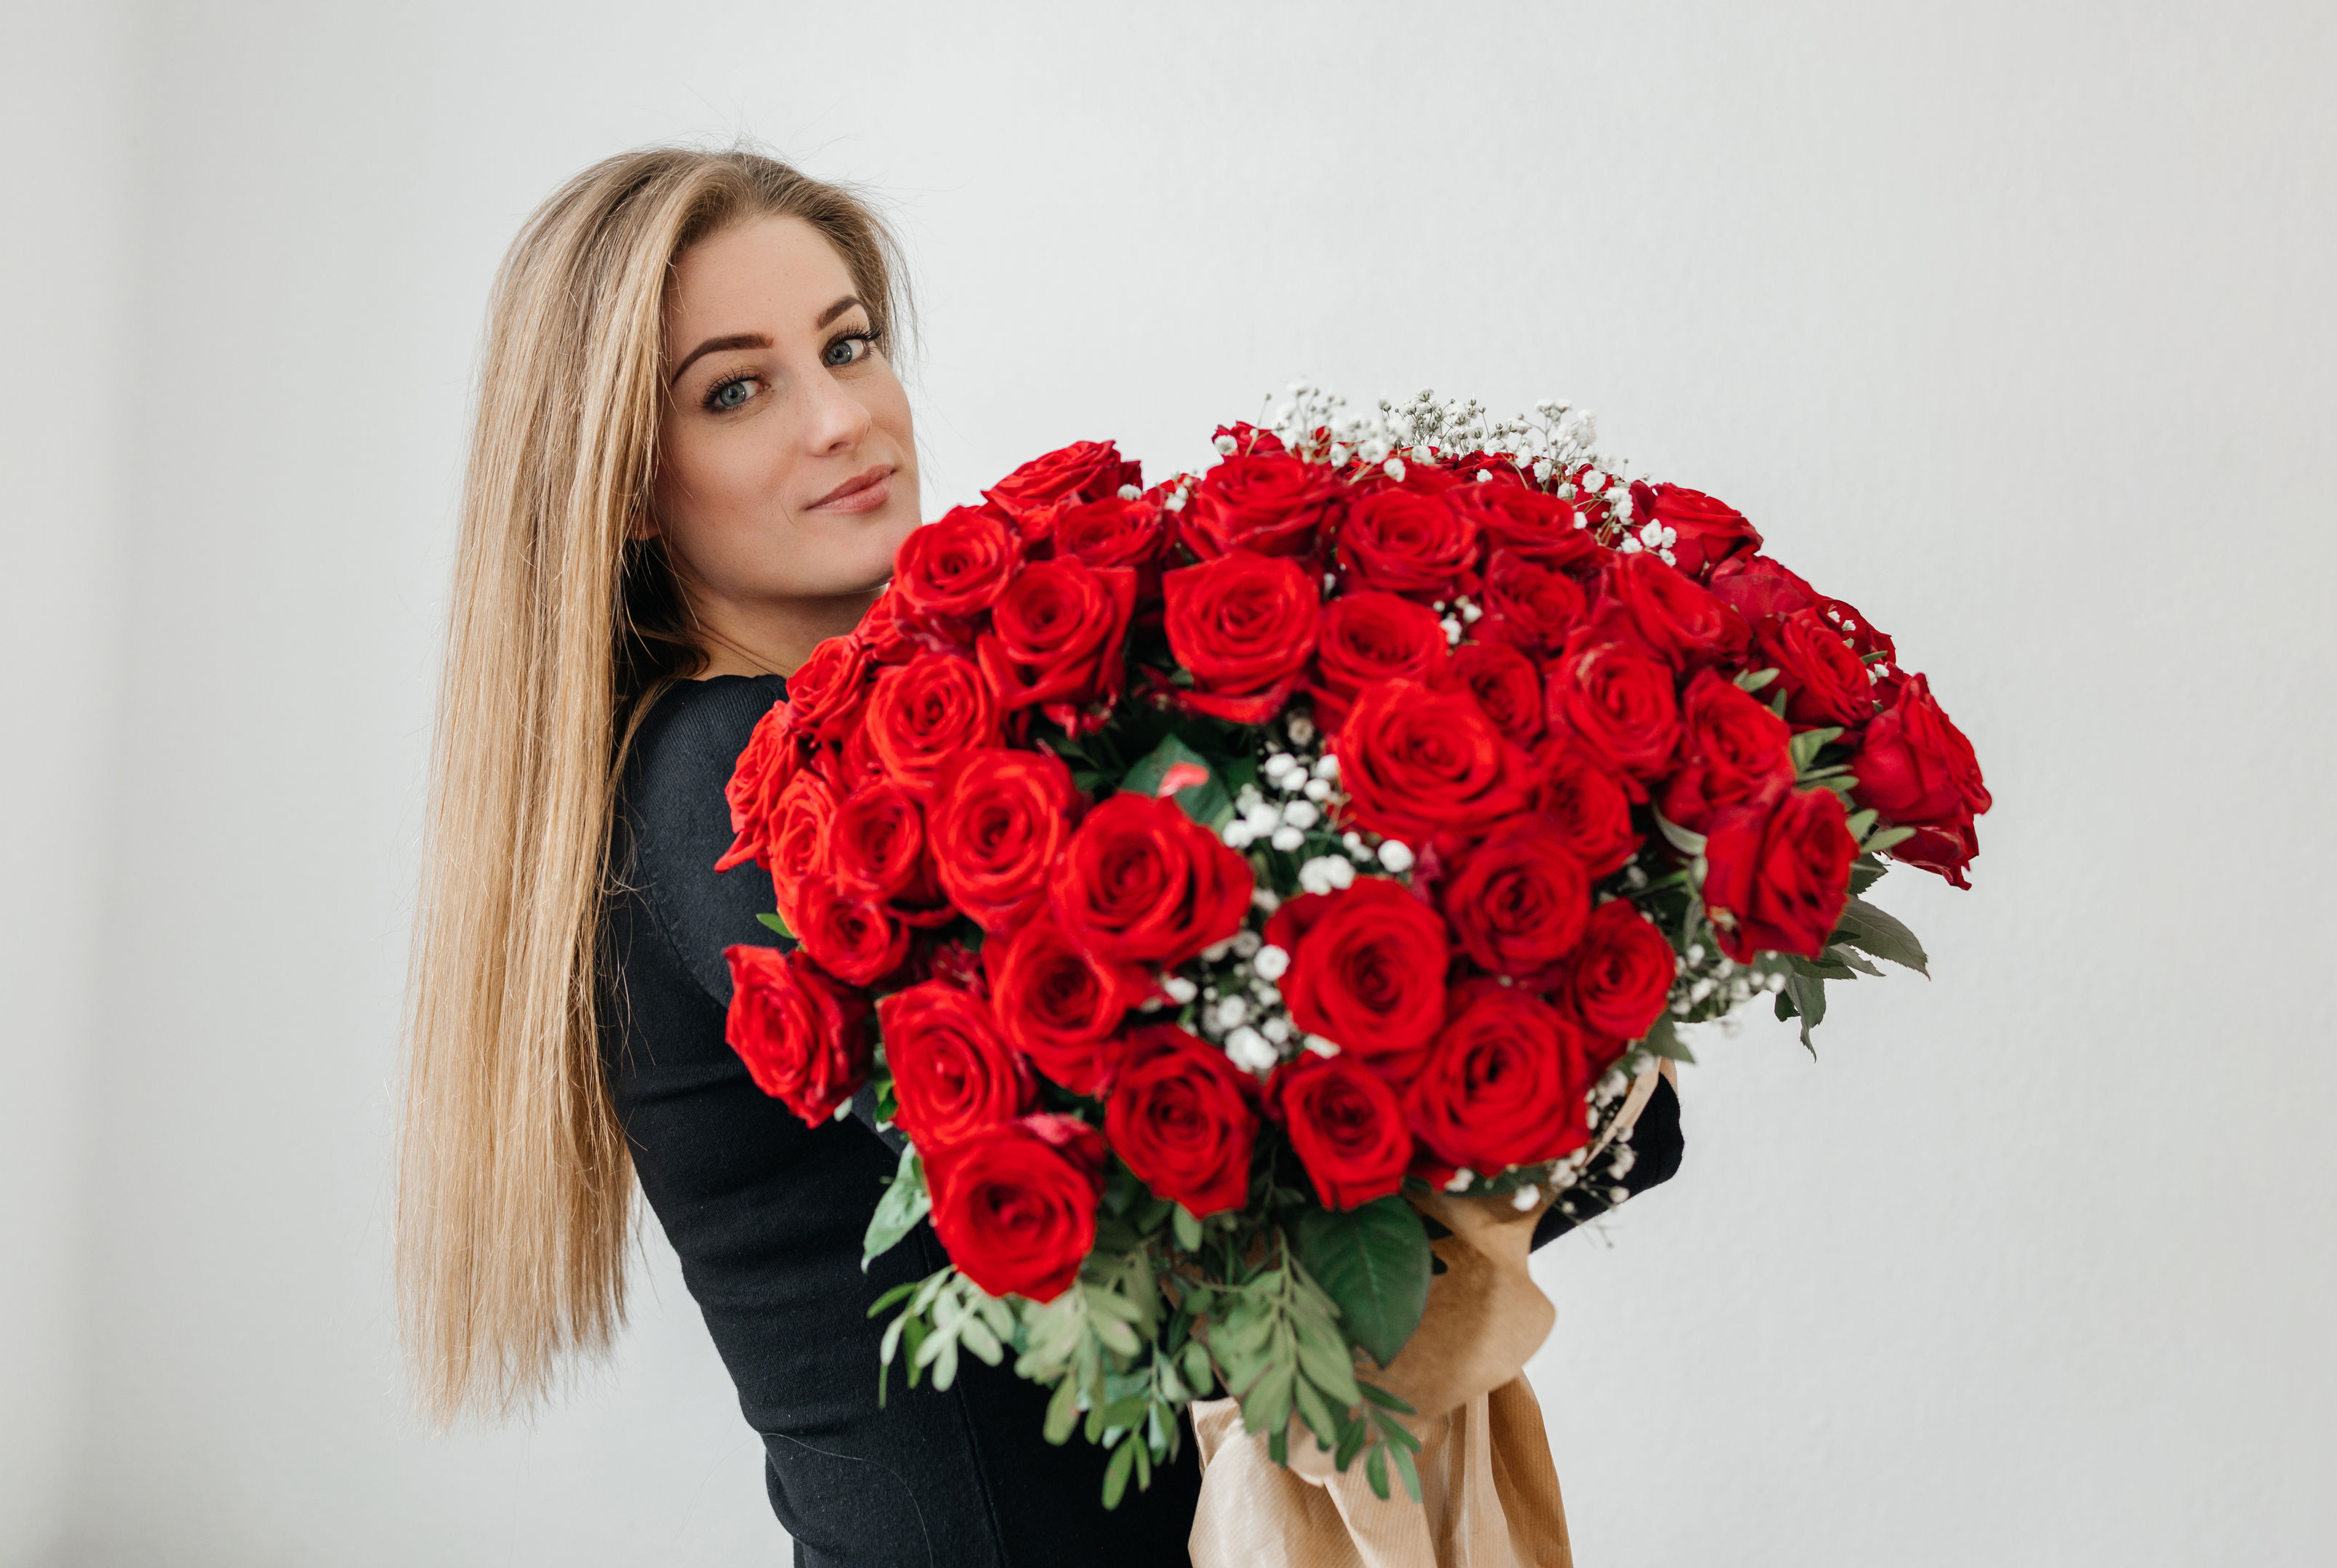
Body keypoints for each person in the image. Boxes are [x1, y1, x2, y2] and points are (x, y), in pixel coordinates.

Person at [397, 144, 1681, 1567]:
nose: (842, 419)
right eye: (737, 388)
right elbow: (1188, 1229)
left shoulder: (832, 754)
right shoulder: (723, 778)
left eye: (849, 344)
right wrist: (1574, 1048)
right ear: (629, 486)